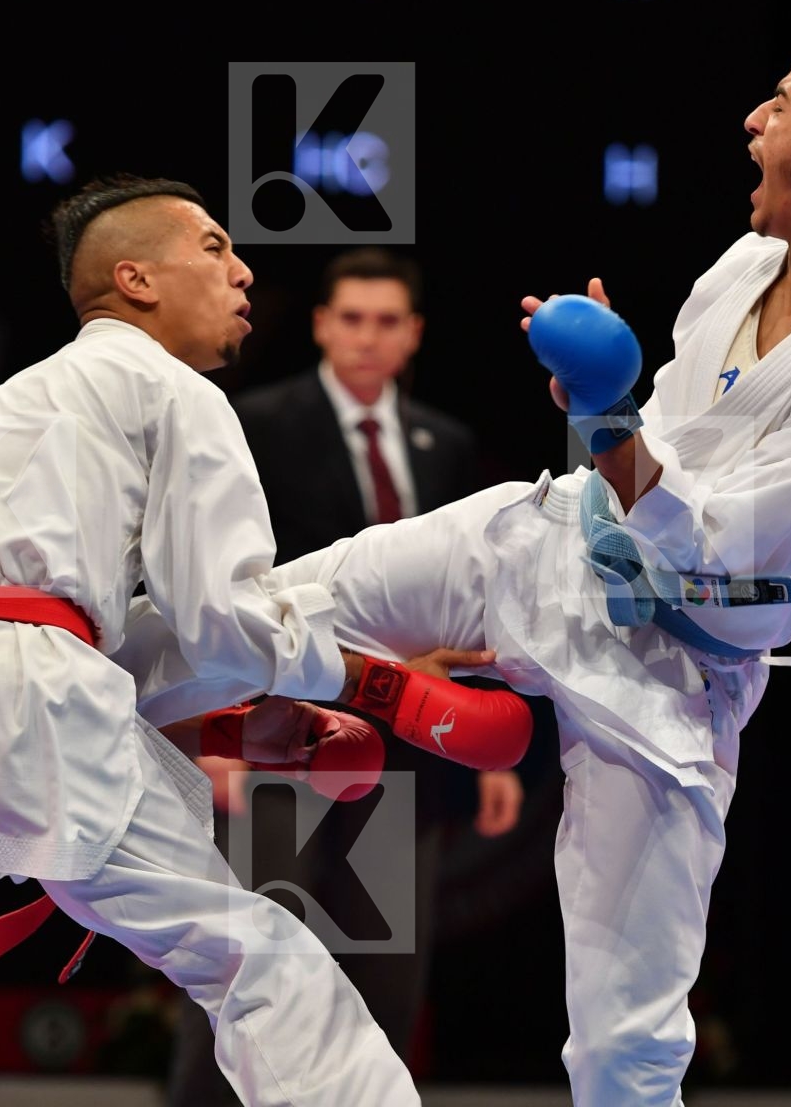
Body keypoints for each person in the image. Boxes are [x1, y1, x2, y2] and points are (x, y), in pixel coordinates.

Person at [113, 24, 791, 1105]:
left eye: (782, 102)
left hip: (670, 675)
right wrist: (603, 410)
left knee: (623, 1042)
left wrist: (606, 409)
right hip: (549, 547)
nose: (755, 120)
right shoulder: (746, 266)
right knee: (269, 609)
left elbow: (711, 554)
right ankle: (27, 682)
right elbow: (647, 456)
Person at [0, 174, 430, 1107]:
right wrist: (361, 674)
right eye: (215, 248)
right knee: (254, 955)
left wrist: (229, 721)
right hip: (19, 695)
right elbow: (218, 619)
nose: (244, 272)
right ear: (136, 280)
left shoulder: (14, 399)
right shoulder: (173, 391)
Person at [168, 248, 524, 1103]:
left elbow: (471, 601)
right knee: (249, 959)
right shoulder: (254, 424)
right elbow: (214, 582)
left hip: (411, 735)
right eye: (352, 318)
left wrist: (486, 747)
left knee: (387, 969)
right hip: (278, 729)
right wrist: (214, 731)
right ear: (323, 325)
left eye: (387, 321)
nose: (368, 337)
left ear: (414, 334)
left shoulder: (447, 444)